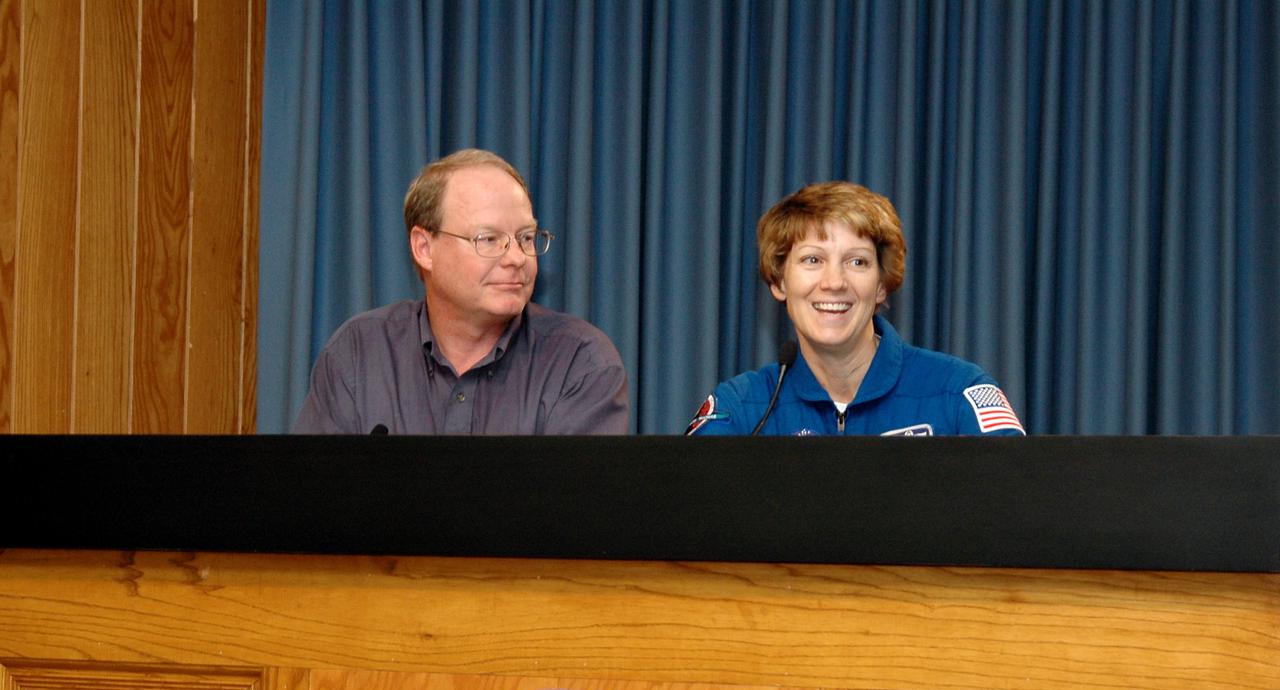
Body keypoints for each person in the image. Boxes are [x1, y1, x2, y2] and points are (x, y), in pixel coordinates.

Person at [293, 149, 629, 434]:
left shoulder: (580, 362)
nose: (516, 258)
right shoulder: (359, 355)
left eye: (526, 237)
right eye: (488, 239)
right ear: (424, 248)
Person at [685, 181, 1024, 437]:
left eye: (857, 261)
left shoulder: (956, 392)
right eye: (812, 260)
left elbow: (1018, 512)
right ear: (779, 282)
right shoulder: (742, 407)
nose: (834, 281)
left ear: (881, 285)